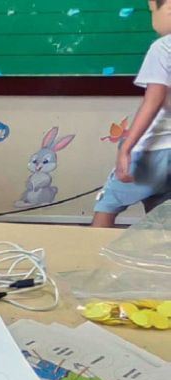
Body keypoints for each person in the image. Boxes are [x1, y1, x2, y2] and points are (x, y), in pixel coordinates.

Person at [93, 0, 171, 226]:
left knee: (107, 206)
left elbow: (153, 101)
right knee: (163, 217)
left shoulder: (164, 47)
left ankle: (89, 259)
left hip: (151, 150)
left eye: (151, 11)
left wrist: (126, 149)